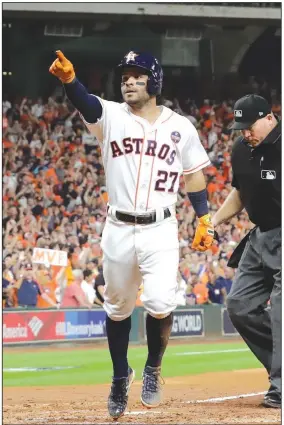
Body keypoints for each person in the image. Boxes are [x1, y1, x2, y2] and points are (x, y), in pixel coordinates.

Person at [49, 49, 215, 418]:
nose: (129, 81)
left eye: (137, 75)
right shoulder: (110, 116)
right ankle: (120, 374)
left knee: (159, 302)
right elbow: (88, 104)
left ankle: (153, 367)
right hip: (119, 227)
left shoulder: (180, 126)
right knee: (118, 308)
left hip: (161, 227)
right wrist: (70, 82)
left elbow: (194, 174)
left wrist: (204, 218)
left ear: (154, 80)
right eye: (125, 76)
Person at [211, 95, 281, 409]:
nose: (245, 133)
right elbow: (240, 194)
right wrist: (212, 222)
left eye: (249, 126)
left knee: (280, 308)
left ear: (269, 117)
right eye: (240, 127)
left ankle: (280, 386)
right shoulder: (241, 150)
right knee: (239, 304)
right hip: (260, 235)